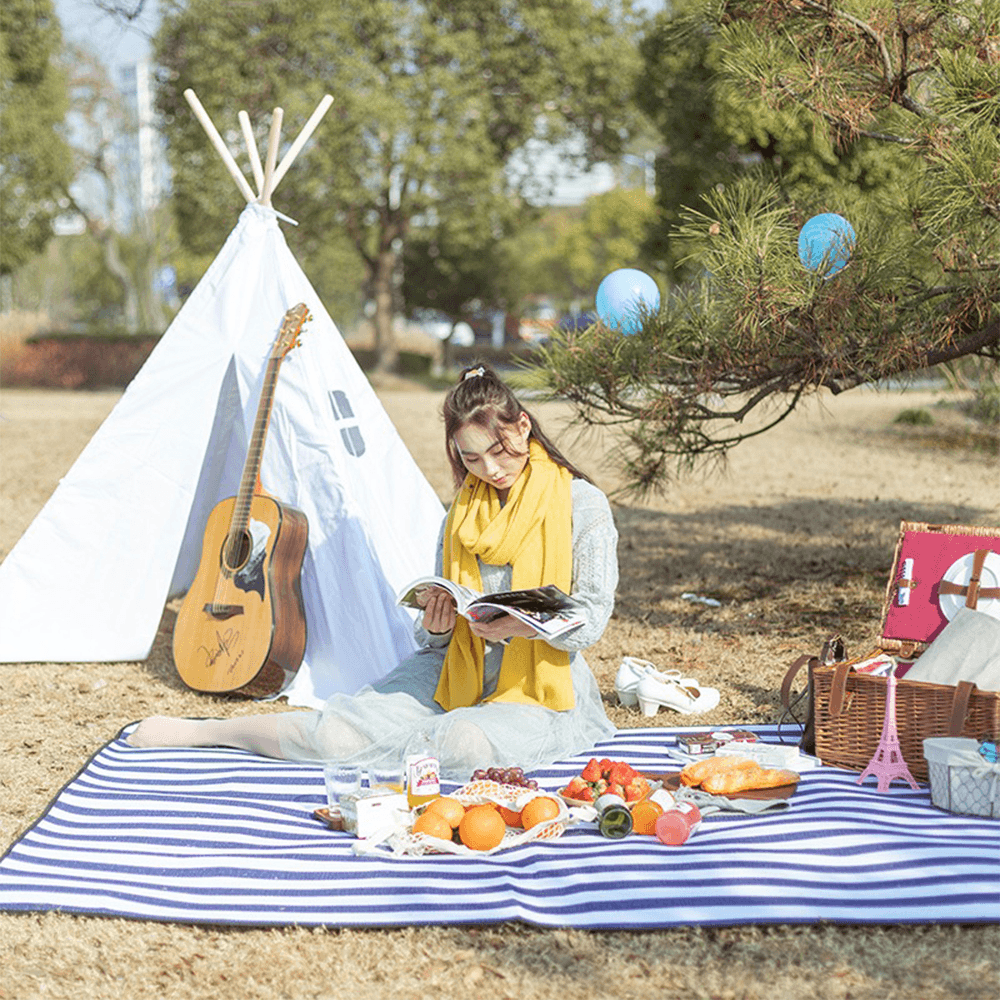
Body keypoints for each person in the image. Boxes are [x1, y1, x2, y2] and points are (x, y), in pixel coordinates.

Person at [128, 364, 619, 779]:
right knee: (339, 733)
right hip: (455, 670)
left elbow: (592, 617)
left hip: (541, 682)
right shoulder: (461, 514)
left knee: (463, 742)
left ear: (524, 428)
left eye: (500, 450)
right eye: (471, 458)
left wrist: (525, 625)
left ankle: (410, 757)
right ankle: (207, 733)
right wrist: (435, 627)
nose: (490, 469)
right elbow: (436, 640)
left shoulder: (581, 504)